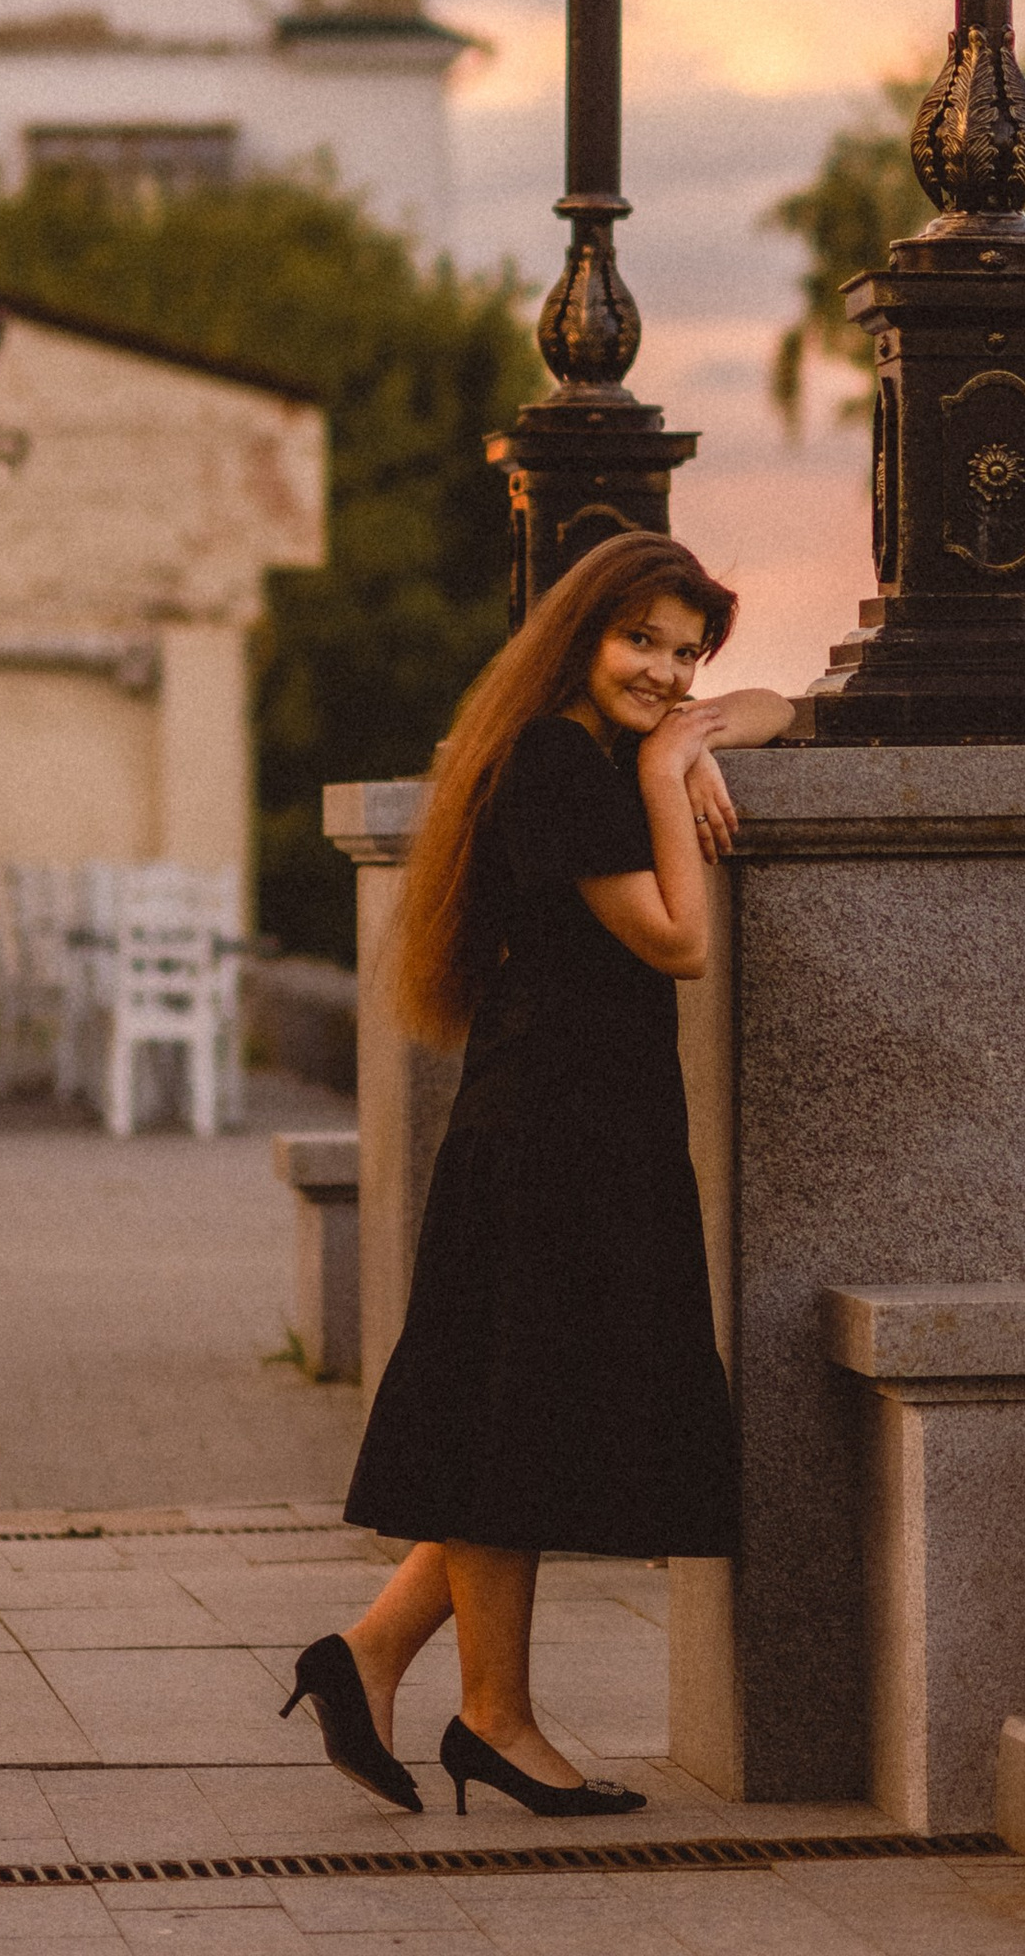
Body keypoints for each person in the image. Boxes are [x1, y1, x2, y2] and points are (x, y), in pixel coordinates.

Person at [280, 530, 794, 1818]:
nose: (669, 674)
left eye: (688, 654)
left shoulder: (580, 746)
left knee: (520, 1410)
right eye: (642, 644)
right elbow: (678, 940)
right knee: (517, 1422)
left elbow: (788, 702)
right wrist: (679, 764)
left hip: (577, 1123)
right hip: (555, 1134)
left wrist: (706, 727)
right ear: (580, 635)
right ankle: (495, 1718)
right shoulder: (561, 765)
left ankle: (371, 1655)